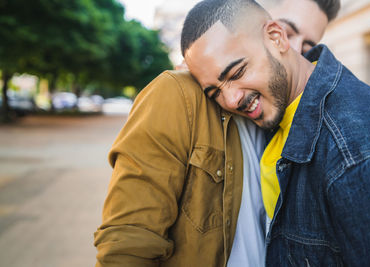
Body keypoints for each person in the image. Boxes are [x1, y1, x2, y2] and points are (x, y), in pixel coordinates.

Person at [94, 0, 340, 266]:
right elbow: (129, 242)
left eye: (307, 47)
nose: (291, 49)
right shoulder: (178, 95)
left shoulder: (293, 118)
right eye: (288, 32)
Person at [182, 0, 370, 266]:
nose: (231, 100)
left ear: (276, 37)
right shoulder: (276, 106)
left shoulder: (358, 152)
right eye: (215, 92)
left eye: (237, 72)